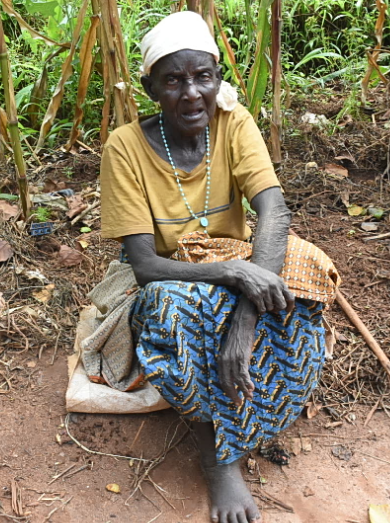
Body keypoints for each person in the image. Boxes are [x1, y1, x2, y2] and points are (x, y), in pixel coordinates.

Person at [99, 11, 339, 523]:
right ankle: (218, 457)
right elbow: (144, 263)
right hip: (171, 273)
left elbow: (274, 210)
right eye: (174, 80)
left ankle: (264, 396)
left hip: (231, 256)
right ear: (150, 88)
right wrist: (235, 276)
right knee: (173, 311)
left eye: (202, 77)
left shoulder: (233, 123)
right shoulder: (125, 147)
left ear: (218, 79)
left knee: (305, 266)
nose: (191, 94)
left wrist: (244, 321)